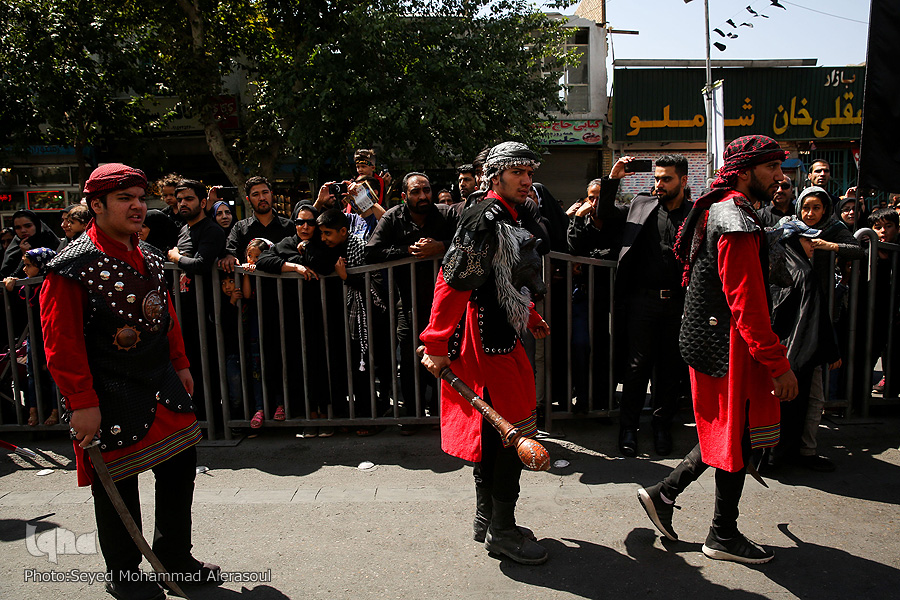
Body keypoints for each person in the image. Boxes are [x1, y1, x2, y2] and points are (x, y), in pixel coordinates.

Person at [40, 163, 220, 599]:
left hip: (161, 380)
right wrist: (81, 401)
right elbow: (61, 342)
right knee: (117, 484)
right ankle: (124, 574)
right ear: (97, 205)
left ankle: (175, 559)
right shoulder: (70, 268)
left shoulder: (151, 254)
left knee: (180, 466)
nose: (138, 206)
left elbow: (164, 313)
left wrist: (180, 362)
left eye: (140, 198)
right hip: (108, 391)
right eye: (125, 198)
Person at [637, 135, 798, 565]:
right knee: (734, 437)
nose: (780, 177)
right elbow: (746, 302)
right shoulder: (733, 217)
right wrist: (777, 364)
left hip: (719, 343)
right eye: (772, 168)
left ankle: (665, 494)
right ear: (744, 172)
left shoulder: (726, 209)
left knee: (730, 433)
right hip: (728, 348)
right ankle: (722, 534)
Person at [420, 141, 551, 565]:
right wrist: (436, 343)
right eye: (517, 173)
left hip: (498, 331)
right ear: (495, 176)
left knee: (497, 434)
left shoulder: (506, 214)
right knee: (509, 435)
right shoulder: (485, 217)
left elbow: (501, 280)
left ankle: (487, 518)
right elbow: (454, 281)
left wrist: (528, 314)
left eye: (529, 173)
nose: (526, 181)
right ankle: (503, 532)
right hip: (483, 341)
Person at [593, 155, 693, 456]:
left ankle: (662, 427)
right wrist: (613, 179)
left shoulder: (695, 214)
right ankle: (628, 428)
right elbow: (605, 213)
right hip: (642, 302)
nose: (659, 184)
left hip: (678, 304)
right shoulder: (641, 205)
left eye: (666, 179)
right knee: (636, 367)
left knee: (670, 368)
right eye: (657, 178)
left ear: (683, 181)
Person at [768, 186, 864, 472]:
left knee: (803, 401)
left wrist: (828, 246)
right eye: (806, 208)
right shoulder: (795, 266)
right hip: (797, 343)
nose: (810, 213)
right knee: (799, 400)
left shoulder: (828, 234)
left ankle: (792, 452)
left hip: (803, 335)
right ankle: (784, 455)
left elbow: (857, 250)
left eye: (817, 208)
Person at [366, 172, 459, 431]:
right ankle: (414, 415)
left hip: (446, 304)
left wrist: (440, 246)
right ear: (404, 196)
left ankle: (446, 416)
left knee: (449, 358)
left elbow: (466, 243)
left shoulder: (447, 214)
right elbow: (371, 252)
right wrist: (407, 251)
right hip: (408, 303)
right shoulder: (392, 217)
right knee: (409, 360)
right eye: (416, 192)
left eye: (426, 190)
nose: (423, 196)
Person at [4, 247, 59, 426]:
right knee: (32, 373)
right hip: (34, 336)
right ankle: (33, 411)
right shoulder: (27, 286)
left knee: (53, 374)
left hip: (52, 334)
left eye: (29, 265)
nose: (25, 269)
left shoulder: (53, 283)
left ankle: (56, 412)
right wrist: (12, 282)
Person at [0, 209, 61, 277]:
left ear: (36, 225)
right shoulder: (13, 250)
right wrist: (25, 256)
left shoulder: (50, 243)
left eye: (28, 226)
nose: (23, 230)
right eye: (18, 227)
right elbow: (7, 276)